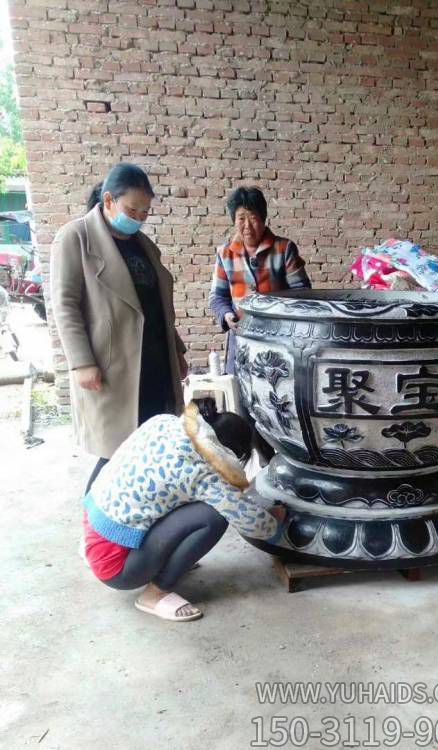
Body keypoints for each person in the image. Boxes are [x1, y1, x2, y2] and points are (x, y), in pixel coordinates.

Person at [50, 163, 189, 493]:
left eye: (144, 211)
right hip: (114, 366)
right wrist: (82, 361)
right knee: (116, 455)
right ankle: (96, 530)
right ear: (109, 200)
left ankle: (139, 524)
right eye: (132, 209)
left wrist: (177, 352)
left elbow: (158, 308)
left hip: (154, 362)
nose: (139, 217)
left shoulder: (143, 246)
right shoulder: (76, 237)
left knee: (152, 445)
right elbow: (64, 304)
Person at [82, 400, 286, 622]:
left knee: (183, 497)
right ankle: (156, 593)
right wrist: (274, 522)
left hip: (95, 528)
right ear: (231, 453)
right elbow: (252, 523)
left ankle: (163, 561)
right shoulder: (202, 472)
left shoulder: (164, 422)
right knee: (213, 517)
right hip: (116, 567)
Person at [209, 186, 311, 373]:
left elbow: (302, 293)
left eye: (253, 218)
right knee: (240, 391)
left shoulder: (283, 248)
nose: (247, 226)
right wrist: (226, 314)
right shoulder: (224, 254)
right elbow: (218, 296)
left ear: (263, 219)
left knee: (277, 389)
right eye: (241, 219)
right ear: (234, 220)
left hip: (280, 337)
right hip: (240, 336)